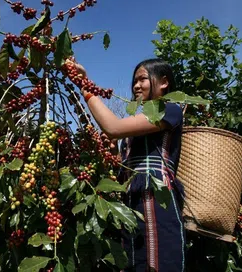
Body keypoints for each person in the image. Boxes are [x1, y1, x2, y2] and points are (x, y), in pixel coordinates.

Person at [73, 58, 185, 271]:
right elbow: (121, 168)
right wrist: (114, 151)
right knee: (133, 262)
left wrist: (83, 85)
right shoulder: (136, 129)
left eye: (143, 79)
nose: (136, 86)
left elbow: (113, 127)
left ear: (164, 83)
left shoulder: (170, 110)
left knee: (160, 261)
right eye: (134, 81)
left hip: (157, 200)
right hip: (132, 205)